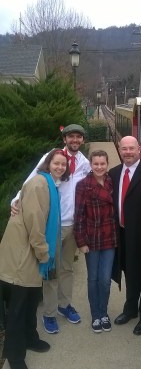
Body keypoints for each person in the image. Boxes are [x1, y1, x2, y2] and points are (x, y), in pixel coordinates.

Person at [11, 124, 91, 334]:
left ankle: (65, 305)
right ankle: (49, 313)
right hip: (52, 225)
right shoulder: (53, 157)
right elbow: (33, 179)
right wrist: (17, 199)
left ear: (82, 140)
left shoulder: (84, 162)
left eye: (78, 137)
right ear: (64, 139)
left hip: (72, 225)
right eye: (70, 137)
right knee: (51, 271)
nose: (74, 140)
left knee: (67, 269)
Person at [0, 149, 69, 369]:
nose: (60, 167)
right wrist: (43, 253)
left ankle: (30, 338)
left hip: (30, 251)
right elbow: (34, 221)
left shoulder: (49, 185)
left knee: (31, 300)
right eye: (56, 163)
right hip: (22, 254)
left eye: (63, 165)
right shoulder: (40, 184)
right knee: (18, 307)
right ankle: (15, 355)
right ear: (48, 164)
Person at [108, 136, 141, 335]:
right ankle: (130, 309)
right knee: (129, 274)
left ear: (139, 149)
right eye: (124, 149)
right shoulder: (114, 173)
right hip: (122, 234)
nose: (127, 152)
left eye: (131, 148)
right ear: (119, 150)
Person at [73, 150, 118, 333]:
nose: (99, 167)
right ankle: (95, 315)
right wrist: (81, 241)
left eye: (102, 164)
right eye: (96, 164)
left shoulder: (111, 182)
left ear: (107, 164)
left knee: (105, 280)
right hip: (91, 239)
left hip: (109, 237)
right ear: (90, 165)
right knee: (93, 278)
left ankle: (104, 312)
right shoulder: (83, 185)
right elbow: (79, 215)